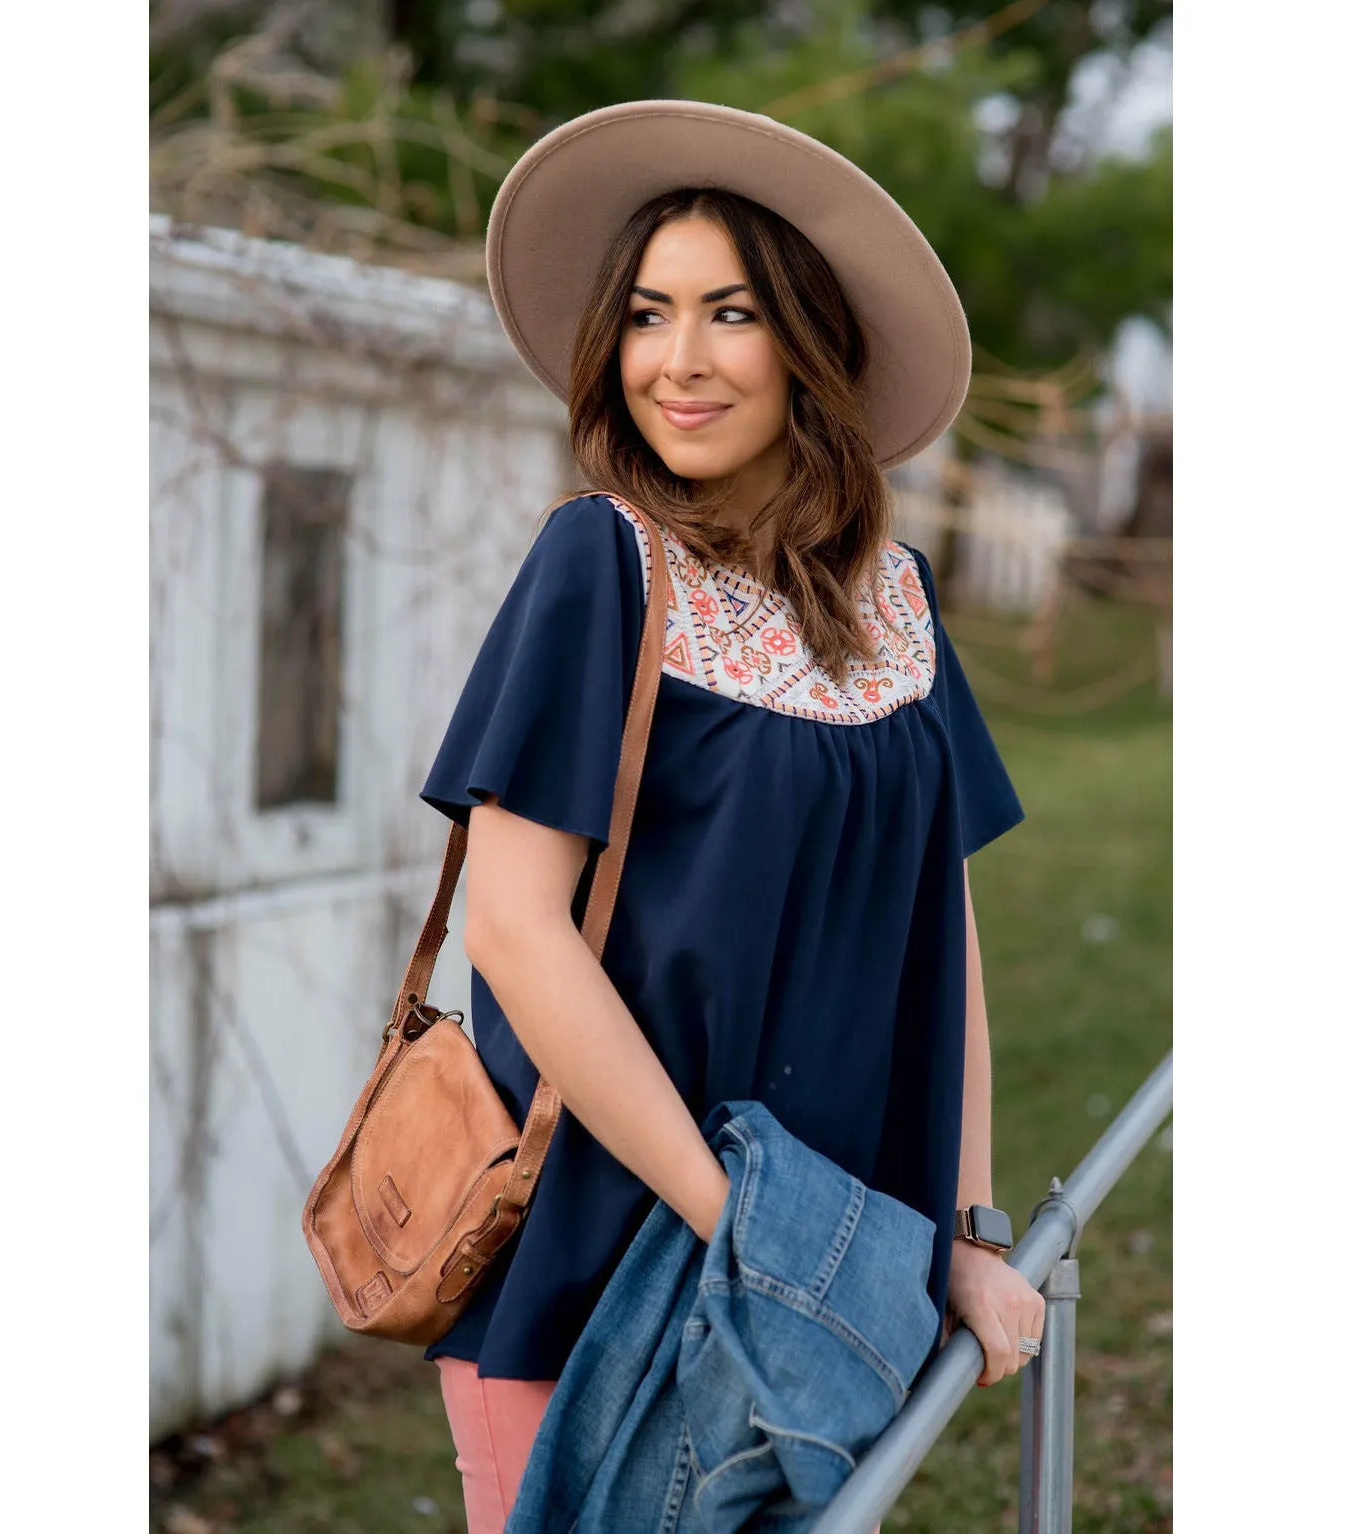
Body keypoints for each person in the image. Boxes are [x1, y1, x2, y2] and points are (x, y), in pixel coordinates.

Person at [417, 100, 1047, 1531]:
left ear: (808, 347)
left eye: (729, 313)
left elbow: (937, 934)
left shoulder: (897, 597)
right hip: (602, 1253)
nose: (677, 362)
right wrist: (745, 1234)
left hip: (828, 1278)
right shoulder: (601, 564)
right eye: (645, 316)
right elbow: (514, 929)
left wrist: (956, 1234)